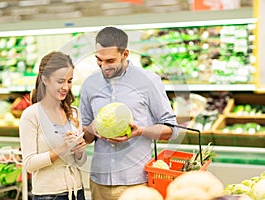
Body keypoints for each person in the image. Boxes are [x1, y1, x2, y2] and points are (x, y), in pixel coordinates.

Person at [79, 26, 178, 200]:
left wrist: (141, 131)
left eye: (110, 61)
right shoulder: (89, 84)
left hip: (136, 182)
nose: (103, 66)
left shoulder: (149, 81)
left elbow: (171, 130)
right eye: (99, 60)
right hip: (99, 181)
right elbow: (86, 137)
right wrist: (92, 129)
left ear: (125, 54)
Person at [19, 51, 87, 200]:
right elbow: (29, 164)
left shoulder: (73, 112)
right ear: (45, 80)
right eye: (60, 81)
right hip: (48, 195)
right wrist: (62, 148)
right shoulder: (31, 115)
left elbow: (80, 161)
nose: (65, 87)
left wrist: (80, 151)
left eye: (69, 81)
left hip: (77, 192)